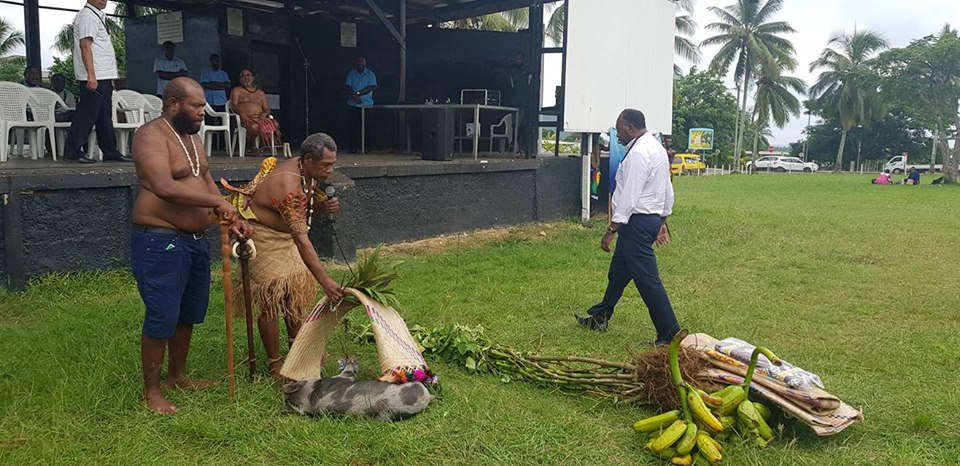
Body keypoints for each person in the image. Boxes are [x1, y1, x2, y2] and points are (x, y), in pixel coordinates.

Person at [130, 77, 252, 413]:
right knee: (163, 313)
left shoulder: (192, 138)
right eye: (196, 106)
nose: (203, 112)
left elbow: (206, 179)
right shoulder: (150, 136)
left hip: (195, 240)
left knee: (188, 312)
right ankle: (152, 392)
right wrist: (219, 205)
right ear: (173, 104)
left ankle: (177, 377)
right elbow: (163, 186)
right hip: (160, 238)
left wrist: (228, 211)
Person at [221, 133, 344, 379]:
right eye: (326, 165)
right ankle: (275, 362)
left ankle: (298, 351)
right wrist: (326, 281)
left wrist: (319, 206)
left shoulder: (306, 173)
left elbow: (300, 218)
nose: (330, 170)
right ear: (308, 159)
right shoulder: (289, 187)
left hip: (286, 237)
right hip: (262, 237)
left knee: (294, 297)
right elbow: (302, 239)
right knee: (271, 301)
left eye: (333, 164)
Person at [575, 109, 680, 345]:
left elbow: (629, 195)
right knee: (618, 273)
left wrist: (611, 230)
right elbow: (667, 187)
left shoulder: (639, 153)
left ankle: (670, 334)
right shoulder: (655, 148)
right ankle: (600, 315)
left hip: (637, 223)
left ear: (629, 128)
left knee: (648, 280)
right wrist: (662, 218)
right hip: (648, 220)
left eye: (618, 128)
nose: (617, 133)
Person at [63, 0, 129, 164]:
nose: (103, 0)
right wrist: (91, 76)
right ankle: (73, 151)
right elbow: (85, 46)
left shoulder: (98, 15)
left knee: (104, 116)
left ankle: (109, 151)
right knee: (86, 114)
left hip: (103, 75)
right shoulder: (87, 16)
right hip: (95, 75)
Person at [230, 68, 279, 150]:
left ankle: (265, 146)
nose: (246, 77)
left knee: (275, 124)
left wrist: (262, 117)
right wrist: (242, 114)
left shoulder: (260, 93)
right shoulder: (236, 90)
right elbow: (233, 106)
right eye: (243, 76)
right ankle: (250, 146)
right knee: (254, 127)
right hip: (244, 119)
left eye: (248, 75)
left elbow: (266, 109)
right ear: (240, 79)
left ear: (253, 78)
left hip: (260, 118)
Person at [344, 56, 377, 153]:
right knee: (352, 127)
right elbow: (348, 86)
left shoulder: (370, 74)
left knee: (367, 127)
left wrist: (358, 94)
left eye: (362, 62)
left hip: (366, 104)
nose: (360, 63)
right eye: (358, 62)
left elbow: (371, 87)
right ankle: (352, 149)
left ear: (365, 63)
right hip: (353, 104)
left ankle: (367, 148)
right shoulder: (351, 73)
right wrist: (354, 96)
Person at [503, 52, 532, 152]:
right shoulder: (512, 71)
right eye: (516, 58)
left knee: (521, 125)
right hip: (514, 102)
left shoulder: (527, 71)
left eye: (519, 58)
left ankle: (521, 146)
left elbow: (529, 85)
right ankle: (515, 145)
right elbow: (511, 86)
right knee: (514, 125)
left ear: (523, 59)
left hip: (523, 102)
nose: (517, 60)